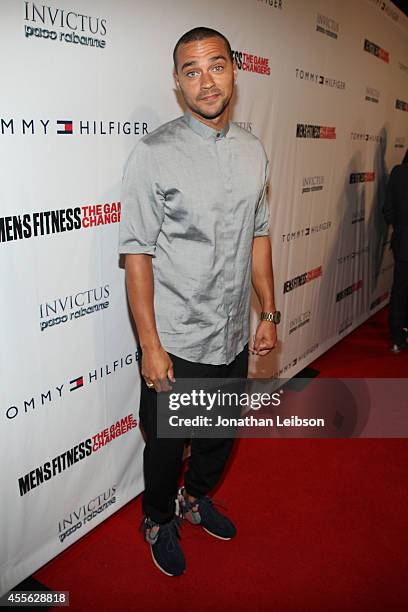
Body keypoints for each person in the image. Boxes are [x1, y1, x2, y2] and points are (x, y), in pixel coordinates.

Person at [118, 26, 279, 576]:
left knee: (217, 437)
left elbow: (258, 235)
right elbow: (136, 253)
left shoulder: (254, 150)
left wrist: (269, 310)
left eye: (216, 66)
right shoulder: (154, 153)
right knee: (165, 447)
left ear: (235, 70)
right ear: (177, 83)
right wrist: (150, 345)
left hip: (233, 331)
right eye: (192, 70)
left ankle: (195, 498)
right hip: (178, 339)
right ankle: (159, 517)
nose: (205, 81)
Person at [383, 149, 408, 353]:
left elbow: (387, 209)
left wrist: (400, 229)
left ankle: (397, 337)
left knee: (400, 289)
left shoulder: (398, 172)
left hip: (403, 244)